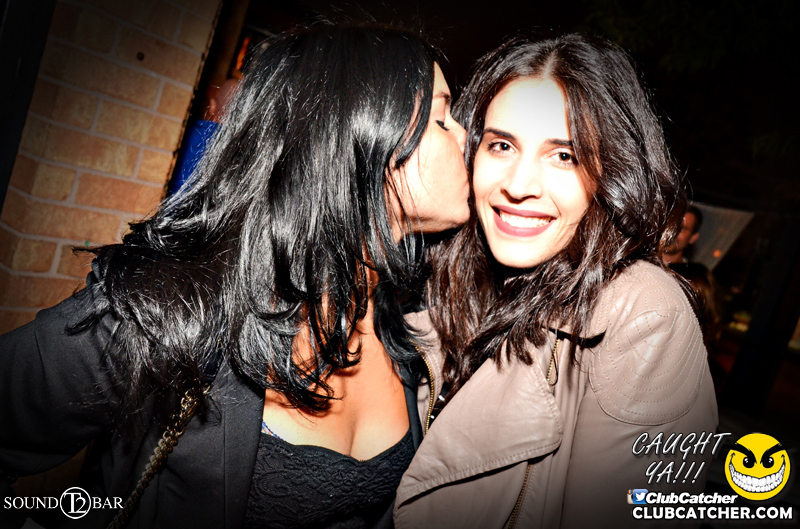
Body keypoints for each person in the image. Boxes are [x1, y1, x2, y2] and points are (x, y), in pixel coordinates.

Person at [0, 24, 469, 528]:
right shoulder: (173, 311)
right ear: (358, 136)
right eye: (442, 119)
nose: (466, 136)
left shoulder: (407, 324)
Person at [394, 34, 718, 528]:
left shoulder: (644, 314)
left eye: (564, 155)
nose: (518, 185)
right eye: (502, 145)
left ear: (612, 171)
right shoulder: (440, 281)